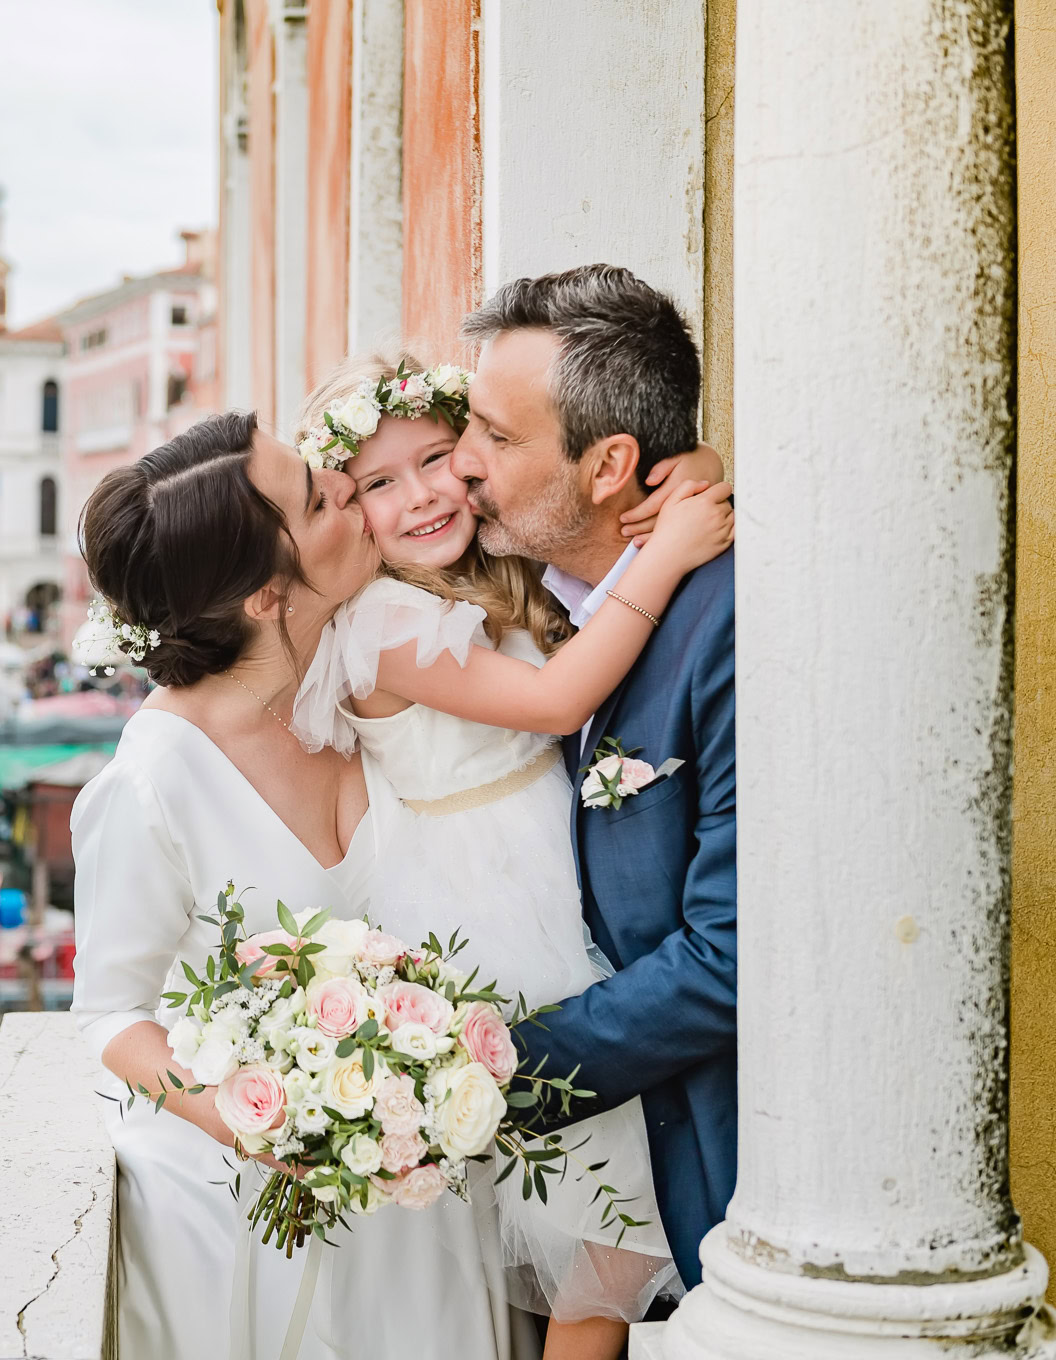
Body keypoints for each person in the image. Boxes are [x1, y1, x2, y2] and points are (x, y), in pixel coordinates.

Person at [285, 353, 730, 1359]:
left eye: (439, 458)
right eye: (379, 486)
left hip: (548, 868)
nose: (422, 496)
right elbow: (555, 700)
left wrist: (691, 465)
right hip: (492, 908)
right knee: (602, 1226)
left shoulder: (484, 559)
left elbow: (606, 499)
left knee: (588, 1219)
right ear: (349, 515)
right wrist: (670, 556)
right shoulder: (386, 621)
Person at [70, 412, 522, 1360]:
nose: (353, 490)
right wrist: (264, 1120)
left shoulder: (367, 673)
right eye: (321, 499)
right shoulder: (152, 782)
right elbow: (111, 1015)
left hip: (416, 1202)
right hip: (246, 1219)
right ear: (268, 596)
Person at [449, 265, 738, 1296]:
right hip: (587, 1171)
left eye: (494, 435)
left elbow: (730, 957)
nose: (460, 462)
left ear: (612, 462)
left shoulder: (730, 619)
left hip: (704, 1165)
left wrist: (468, 1080)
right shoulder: (512, 605)